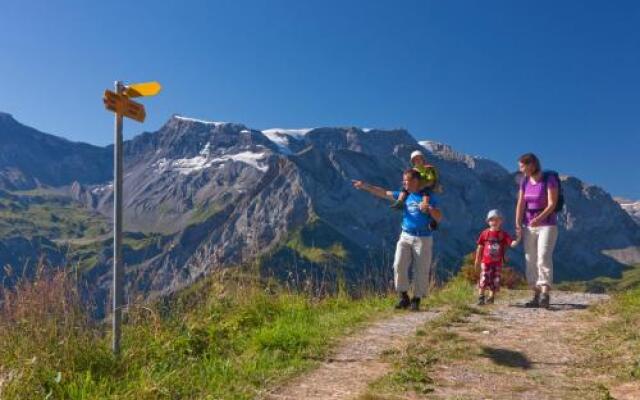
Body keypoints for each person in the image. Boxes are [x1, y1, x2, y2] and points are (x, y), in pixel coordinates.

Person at [352, 169, 443, 311]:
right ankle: (403, 296)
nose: (404, 183)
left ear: (415, 181)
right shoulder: (405, 195)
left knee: (421, 270)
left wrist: (429, 208)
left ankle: (416, 299)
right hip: (405, 235)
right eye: (404, 180)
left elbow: (439, 217)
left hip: (423, 238)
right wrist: (365, 186)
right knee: (398, 264)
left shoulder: (428, 197)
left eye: (406, 180)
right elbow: (384, 193)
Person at [515, 153, 559, 309]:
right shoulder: (525, 181)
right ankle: (535, 293)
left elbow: (552, 203)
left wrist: (539, 218)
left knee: (543, 257)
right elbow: (521, 203)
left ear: (532, 164)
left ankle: (545, 293)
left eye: (522, 166)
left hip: (547, 224)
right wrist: (518, 223)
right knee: (530, 259)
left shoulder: (549, 179)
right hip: (529, 225)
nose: (520, 170)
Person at [474, 209, 519, 305]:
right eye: (492, 220)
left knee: (495, 280)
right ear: (488, 222)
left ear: (501, 221)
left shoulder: (503, 235)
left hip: (497, 263)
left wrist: (518, 238)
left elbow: (512, 244)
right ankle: (481, 296)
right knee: (484, 278)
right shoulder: (484, 233)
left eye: (497, 220)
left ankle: (491, 297)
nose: (494, 222)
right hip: (485, 262)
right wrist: (477, 260)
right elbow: (480, 247)